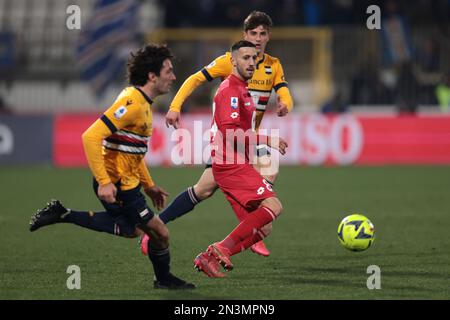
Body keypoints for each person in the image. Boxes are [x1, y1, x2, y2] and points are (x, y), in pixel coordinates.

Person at [29, 44, 195, 290]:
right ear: (152, 75)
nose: (173, 77)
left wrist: (149, 186)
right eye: (168, 71)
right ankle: (163, 279)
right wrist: (105, 182)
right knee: (160, 233)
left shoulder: (142, 103)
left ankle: (63, 214)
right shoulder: (132, 103)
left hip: (125, 183)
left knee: (131, 230)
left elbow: (133, 153)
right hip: (118, 185)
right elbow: (91, 136)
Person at [141, 11, 294, 258]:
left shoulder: (273, 66)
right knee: (206, 189)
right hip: (229, 138)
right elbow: (194, 79)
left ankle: (254, 226)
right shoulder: (230, 61)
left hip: (249, 137)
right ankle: (254, 228)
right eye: (252, 33)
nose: (257, 38)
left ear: (268, 37)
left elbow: (284, 92)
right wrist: (175, 106)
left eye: (262, 34)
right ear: (244, 35)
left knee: (211, 187)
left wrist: (286, 104)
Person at [194, 40, 288, 277]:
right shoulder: (231, 90)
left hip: (235, 164)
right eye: (245, 58)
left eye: (254, 58)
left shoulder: (242, 89)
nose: (251, 62)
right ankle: (221, 248)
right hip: (230, 165)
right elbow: (230, 131)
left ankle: (208, 258)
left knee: (263, 228)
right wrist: (268, 140)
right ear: (233, 61)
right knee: (274, 205)